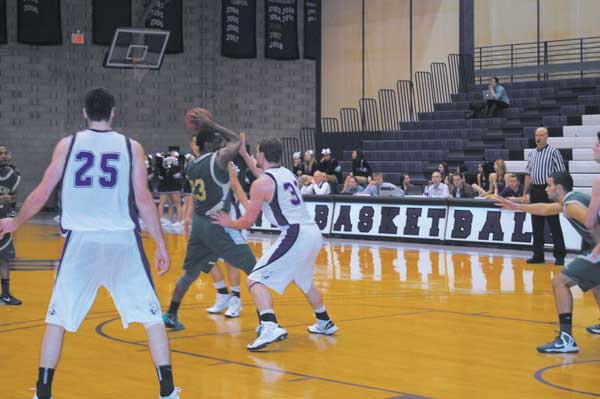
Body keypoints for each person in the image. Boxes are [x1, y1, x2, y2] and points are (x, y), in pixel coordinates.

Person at [0, 88, 179, 399]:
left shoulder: (67, 145)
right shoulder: (130, 146)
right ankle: (167, 391)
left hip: (80, 242)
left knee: (56, 318)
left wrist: (14, 223)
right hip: (122, 241)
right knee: (152, 317)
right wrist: (161, 244)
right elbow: (143, 200)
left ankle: (43, 392)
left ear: (84, 113)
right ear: (113, 113)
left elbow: (42, 191)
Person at [212, 137, 338, 351]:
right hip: (312, 232)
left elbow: (249, 221)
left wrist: (229, 222)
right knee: (304, 280)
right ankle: (324, 321)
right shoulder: (286, 173)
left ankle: (270, 326)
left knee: (254, 279)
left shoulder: (260, 184)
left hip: (295, 233)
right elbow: (261, 174)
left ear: (261, 155)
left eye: (256, 155)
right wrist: (243, 154)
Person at [162, 110, 256, 331]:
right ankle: (267, 322)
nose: (221, 143)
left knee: (190, 274)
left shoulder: (191, 166)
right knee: (255, 269)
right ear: (211, 143)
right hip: (218, 222)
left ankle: (171, 313)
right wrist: (210, 123)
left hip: (200, 225)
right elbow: (236, 140)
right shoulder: (219, 161)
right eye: (216, 140)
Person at [496, 171, 600, 353]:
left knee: (560, 282)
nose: (546, 188)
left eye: (549, 185)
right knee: (595, 282)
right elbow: (545, 209)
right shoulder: (570, 200)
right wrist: (516, 206)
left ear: (558, 188)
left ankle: (566, 338)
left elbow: (591, 223)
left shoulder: (571, 205)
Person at [522, 127, 567, 265]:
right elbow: (528, 174)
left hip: (549, 191)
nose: (538, 137)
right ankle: (538, 254)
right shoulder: (532, 153)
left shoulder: (554, 152)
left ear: (547, 137)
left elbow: (561, 173)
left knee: (554, 223)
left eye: (541, 135)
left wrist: (559, 193)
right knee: (536, 225)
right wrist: (524, 193)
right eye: (536, 135)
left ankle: (559, 256)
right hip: (535, 190)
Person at [0, 146, 21, 304]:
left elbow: (13, 197)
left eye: (5, 153)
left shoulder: (13, 174)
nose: (3, 156)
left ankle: (6, 295)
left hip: (3, 223)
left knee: (4, 259)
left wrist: (12, 210)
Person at [156, 150, 184, 227]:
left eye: (174, 155)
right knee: (169, 204)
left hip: (174, 186)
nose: (172, 156)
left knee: (177, 204)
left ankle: (180, 221)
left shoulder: (177, 164)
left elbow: (177, 174)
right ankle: (168, 220)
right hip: (166, 186)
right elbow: (161, 172)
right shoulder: (165, 163)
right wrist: (160, 160)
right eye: (171, 154)